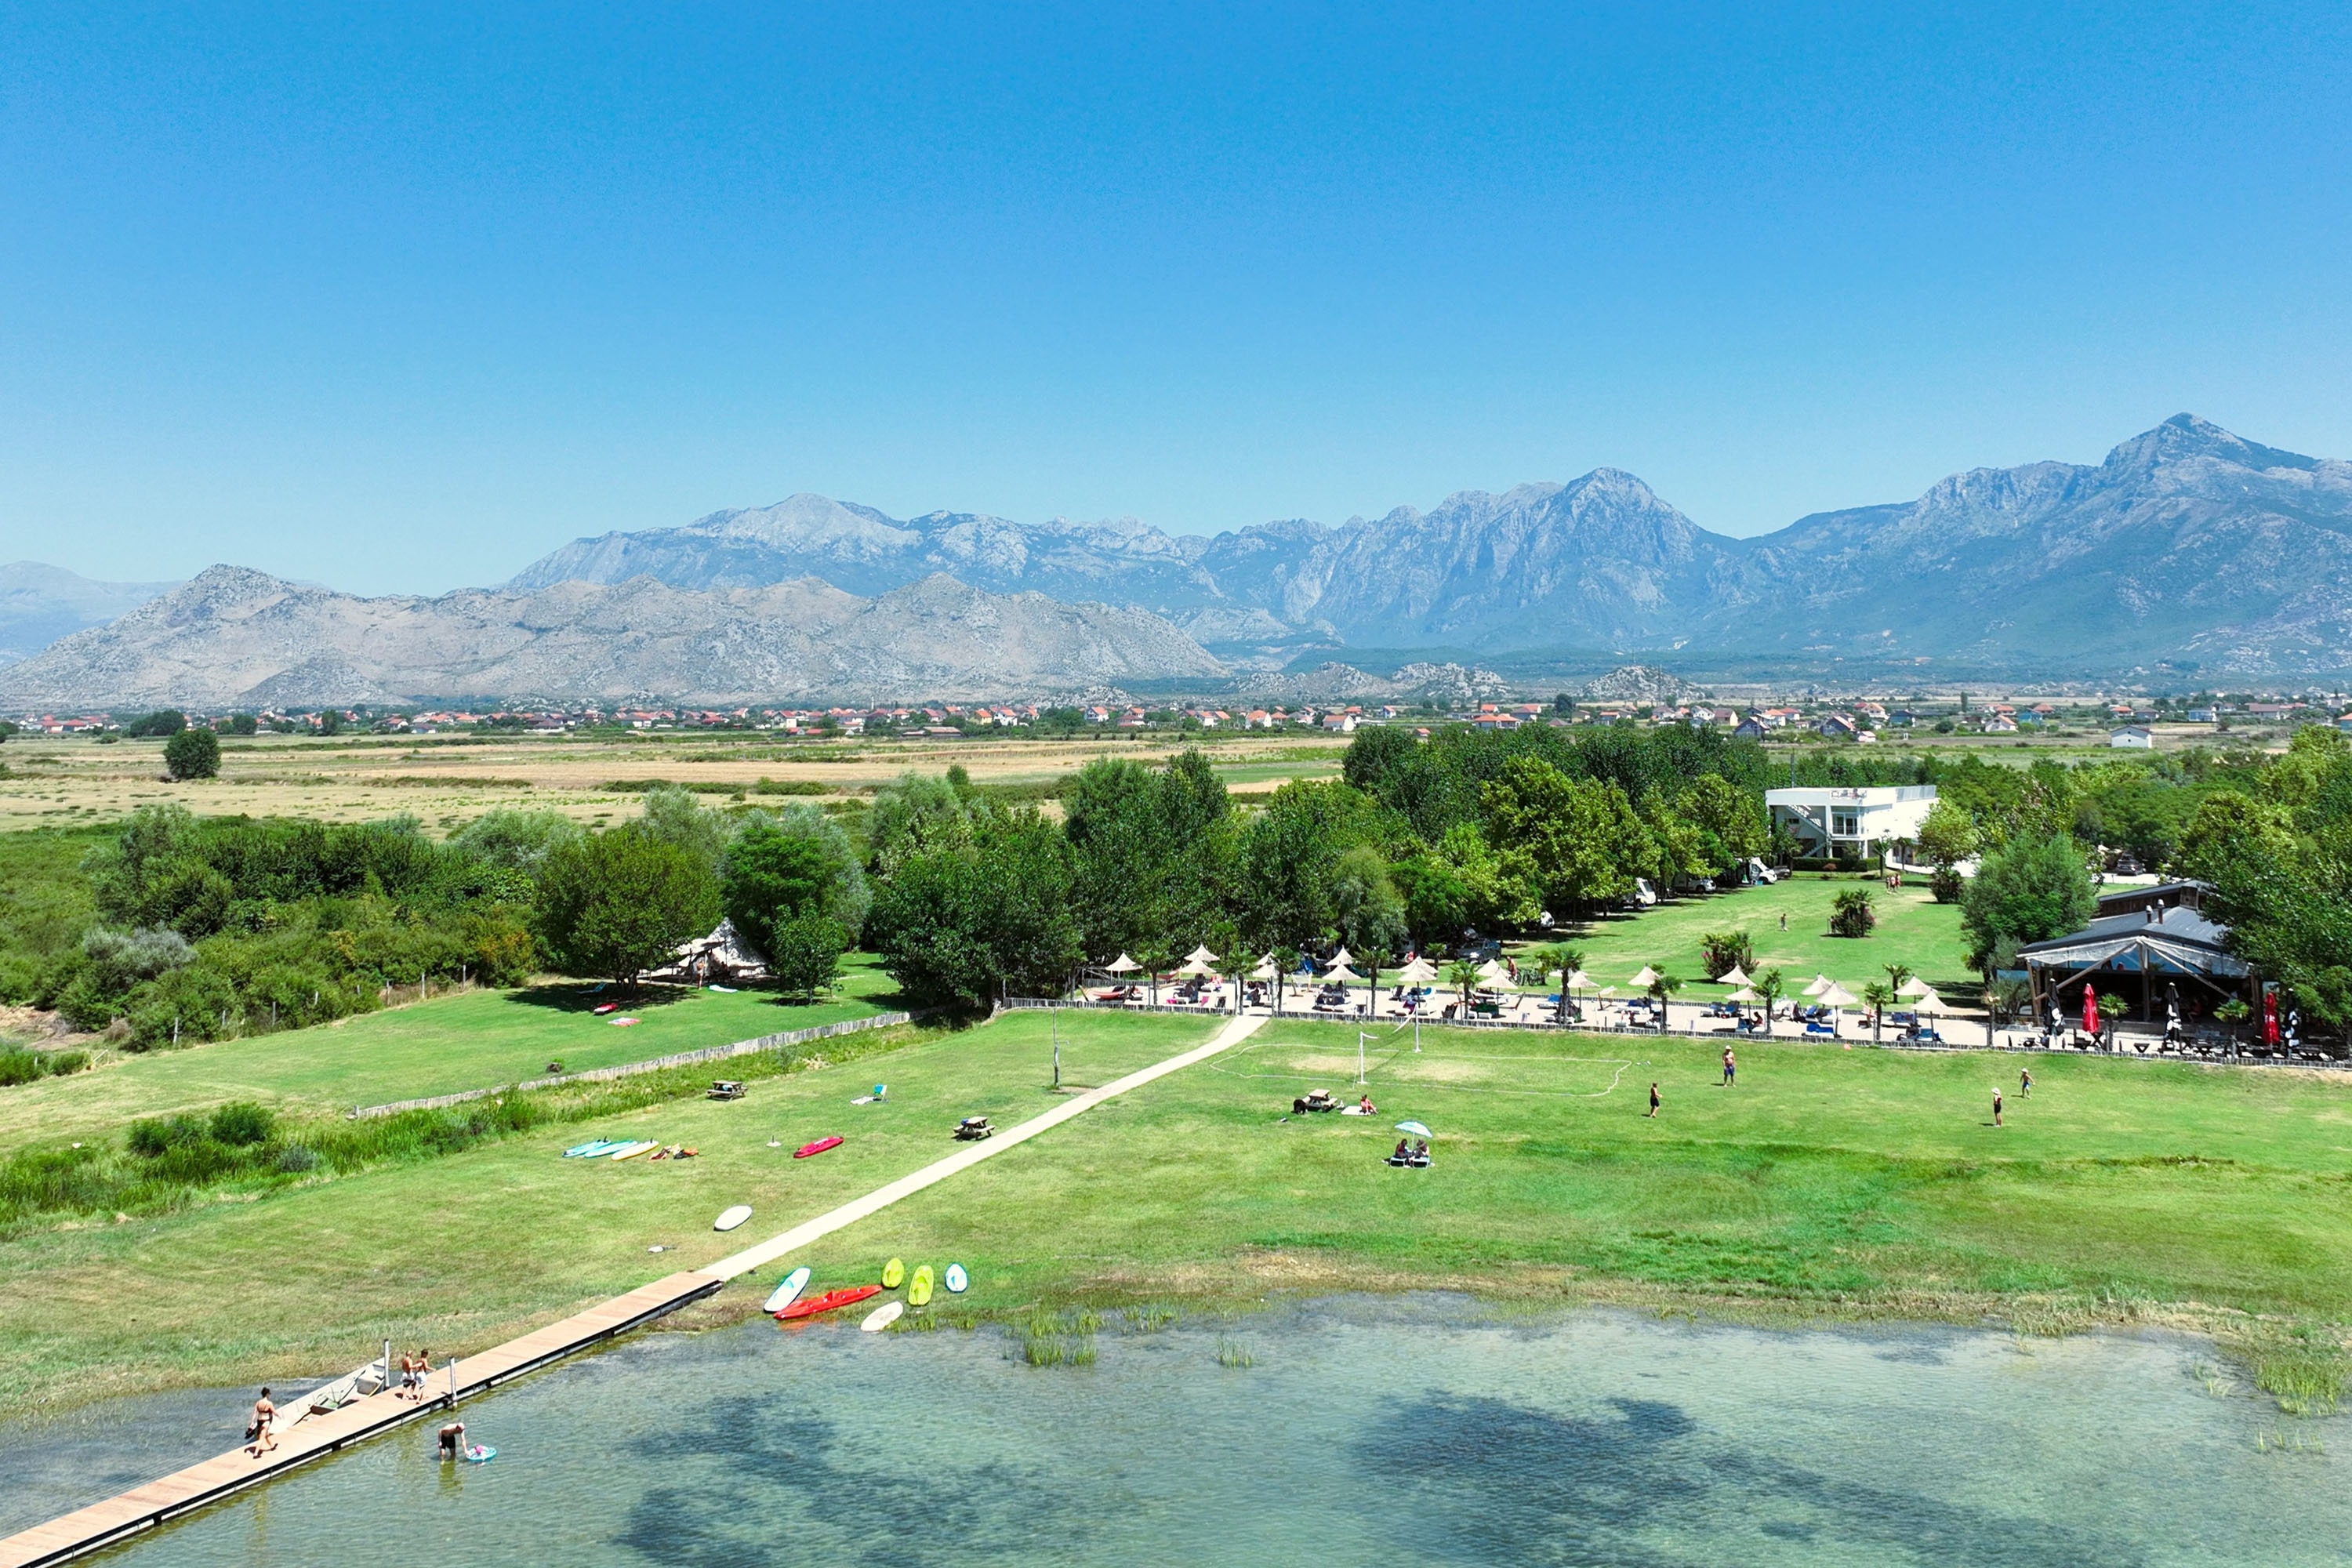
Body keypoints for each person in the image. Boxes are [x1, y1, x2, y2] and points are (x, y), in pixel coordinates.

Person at [248, 1388, 277, 1457]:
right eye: (269, 1394)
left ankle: (272, 1446)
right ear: (267, 1394)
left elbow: (254, 1413)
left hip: (260, 1421)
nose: (269, 1395)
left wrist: (252, 1422)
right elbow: (274, 1412)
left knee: (266, 1435)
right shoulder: (269, 1403)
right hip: (266, 1421)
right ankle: (256, 1453)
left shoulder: (258, 1402)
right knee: (262, 1437)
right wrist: (279, 1416)